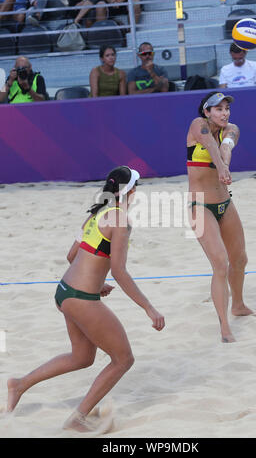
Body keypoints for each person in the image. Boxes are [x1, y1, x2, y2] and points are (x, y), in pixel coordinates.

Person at [7, 166, 165, 432]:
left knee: (82, 357)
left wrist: (96, 281)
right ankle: (77, 418)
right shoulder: (120, 220)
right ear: (132, 191)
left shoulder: (96, 214)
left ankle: (19, 384)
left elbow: (72, 256)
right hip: (80, 297)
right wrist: (149, 308)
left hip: (65, 290)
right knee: (123, 359)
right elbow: (120, 271)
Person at [187, 91, 252, 343]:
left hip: (224, 204)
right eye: (218, 109)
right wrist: (222, 166)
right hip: (200, 206)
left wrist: (225, 163)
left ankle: (239, 305)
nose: (224, 113)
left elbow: (224, 147)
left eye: (226, 108)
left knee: (240, 259)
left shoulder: (231, 128)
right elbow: (212, 147)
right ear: (206, 111)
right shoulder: (197, 125)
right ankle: (225, 327)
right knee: (220, 263)